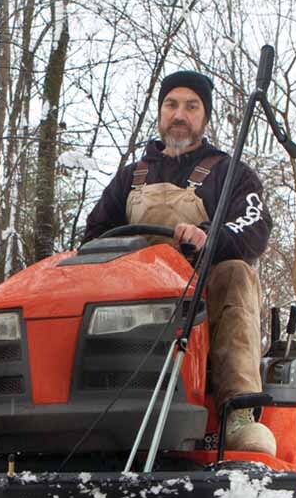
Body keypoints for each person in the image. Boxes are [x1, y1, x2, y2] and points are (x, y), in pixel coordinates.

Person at [82, 69, 276, 455]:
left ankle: (237, 412)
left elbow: (254, 225)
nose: (179, 114)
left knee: (235, 272)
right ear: (160, 112)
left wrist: (210, 236)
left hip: (200, 296)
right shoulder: (130, 178)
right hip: (133, 297)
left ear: (204, 117)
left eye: (191, 106)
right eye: (171, 104)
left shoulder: (229, 172)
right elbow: (93, 236)